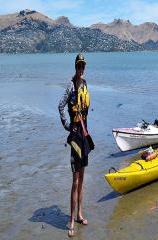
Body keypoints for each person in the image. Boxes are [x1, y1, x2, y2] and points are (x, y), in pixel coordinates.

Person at [58, 53, 93, 237]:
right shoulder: (70, 86)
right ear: (75, 67)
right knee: (75, 181)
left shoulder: (85, 84)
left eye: (83, 67)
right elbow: (60, 106)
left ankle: (80, 214)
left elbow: (86, 111)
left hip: (84, 136)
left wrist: (85, 128)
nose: (81, 70)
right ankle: (71, 220)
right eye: (78, 66)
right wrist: (67, 126)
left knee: (82, 181)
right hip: (75, 137)